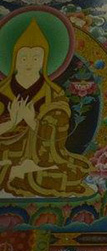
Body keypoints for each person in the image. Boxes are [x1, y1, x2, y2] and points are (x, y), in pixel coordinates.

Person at [0, 18, 90, 197]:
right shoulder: (2, 91)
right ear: (14, 60)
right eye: (23, 57)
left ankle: (17, 173)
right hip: (4, 154)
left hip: (42, 158)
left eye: (35, 58)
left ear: (44, 62)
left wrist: (32, 122)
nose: (29, 63)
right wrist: (13, 122)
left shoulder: (54, 94)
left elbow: (58, 135)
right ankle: (16, 172)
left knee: (72, 173)